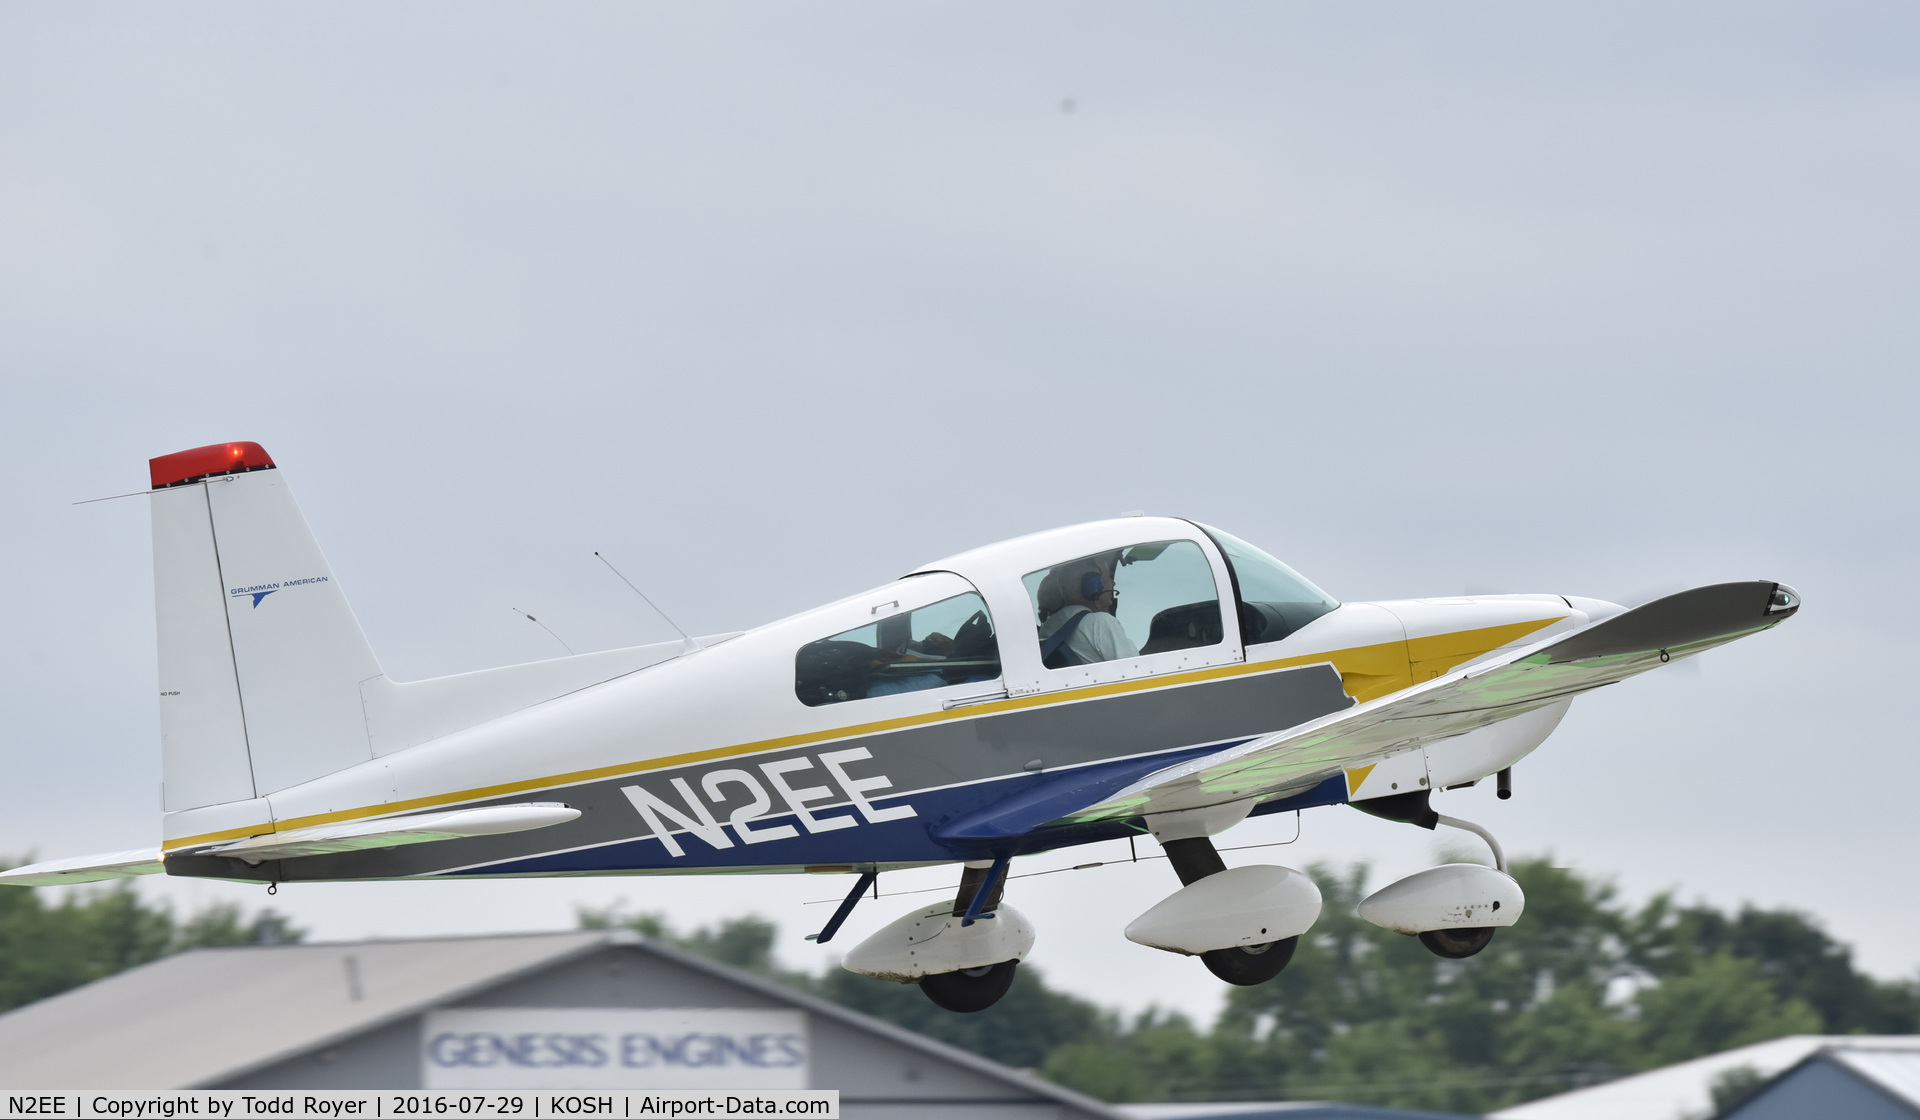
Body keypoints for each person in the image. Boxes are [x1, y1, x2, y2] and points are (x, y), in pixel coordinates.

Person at [1035, 553, 1138, 667]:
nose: (1113, 582)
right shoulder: (1100, 623)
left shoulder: (1046, 628)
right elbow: (1135, 669)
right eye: (1109, 576)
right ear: (1093, 584)